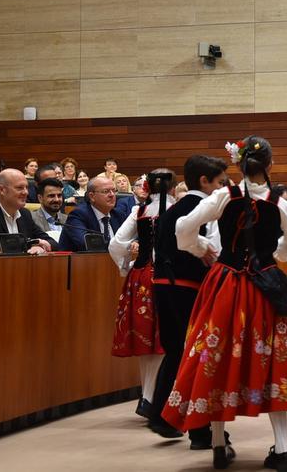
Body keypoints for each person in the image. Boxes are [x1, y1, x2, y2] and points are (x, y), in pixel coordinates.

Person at [164, 136, 287, 472]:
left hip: (226, 283)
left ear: (238, 165)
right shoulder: (279, 202)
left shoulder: (222, 197)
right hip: (266, 288)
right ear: (269, 166)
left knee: (218, 356)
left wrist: (202, 249)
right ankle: (283, 450)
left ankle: (217, 444)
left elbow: (182, 229)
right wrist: (276, 257)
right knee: (274, 359)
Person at [147, 155, 229, 446]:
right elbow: (215, 251)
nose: (223, 188)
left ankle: (161, 416)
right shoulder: (203, 210)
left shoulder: (172, 209)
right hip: (189, 287)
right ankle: (199, 427)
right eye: (219, 182)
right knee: (196, 354)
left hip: (162, 283)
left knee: (175, 351)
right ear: (205, 181)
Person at [108, 168, 175, 422]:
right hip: (167, 276)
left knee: (148, 341)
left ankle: (147, 397)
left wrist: (126, 265)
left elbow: (115, 244)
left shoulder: (140, 211)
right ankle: (153, 398)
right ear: (171, 188)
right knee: (162, 342)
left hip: (141, 277)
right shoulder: (178, 209)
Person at [0, 169, 56, 254]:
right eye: (20, 188)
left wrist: (40, 247)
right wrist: (34, 243)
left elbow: (53, 243)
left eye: (26, 187)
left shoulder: (25, 214)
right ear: (1, 190)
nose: (26, 192)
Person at [58, 176, 128, 252]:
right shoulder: (78, 215)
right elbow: (87, 244)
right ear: (92, 196)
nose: (112, 195)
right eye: (106, 191)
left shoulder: (118, 215)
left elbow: (130, 239)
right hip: (81, 262)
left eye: (114, 191)